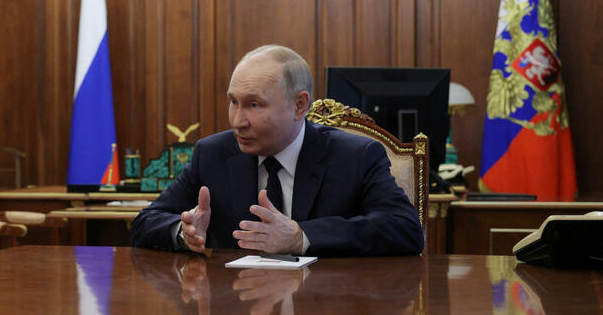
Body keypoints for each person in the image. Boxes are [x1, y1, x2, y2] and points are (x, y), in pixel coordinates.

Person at [130, 44, 423, 257]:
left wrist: (302, 237)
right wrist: (184, 233)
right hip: (237, 312)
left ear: (299, 105)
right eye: (234, 102)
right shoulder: (213, 153)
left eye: (254, 105)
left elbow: (405, 230)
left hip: (326, 310)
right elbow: (146, 221)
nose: (237, 121)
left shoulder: (355, 156)